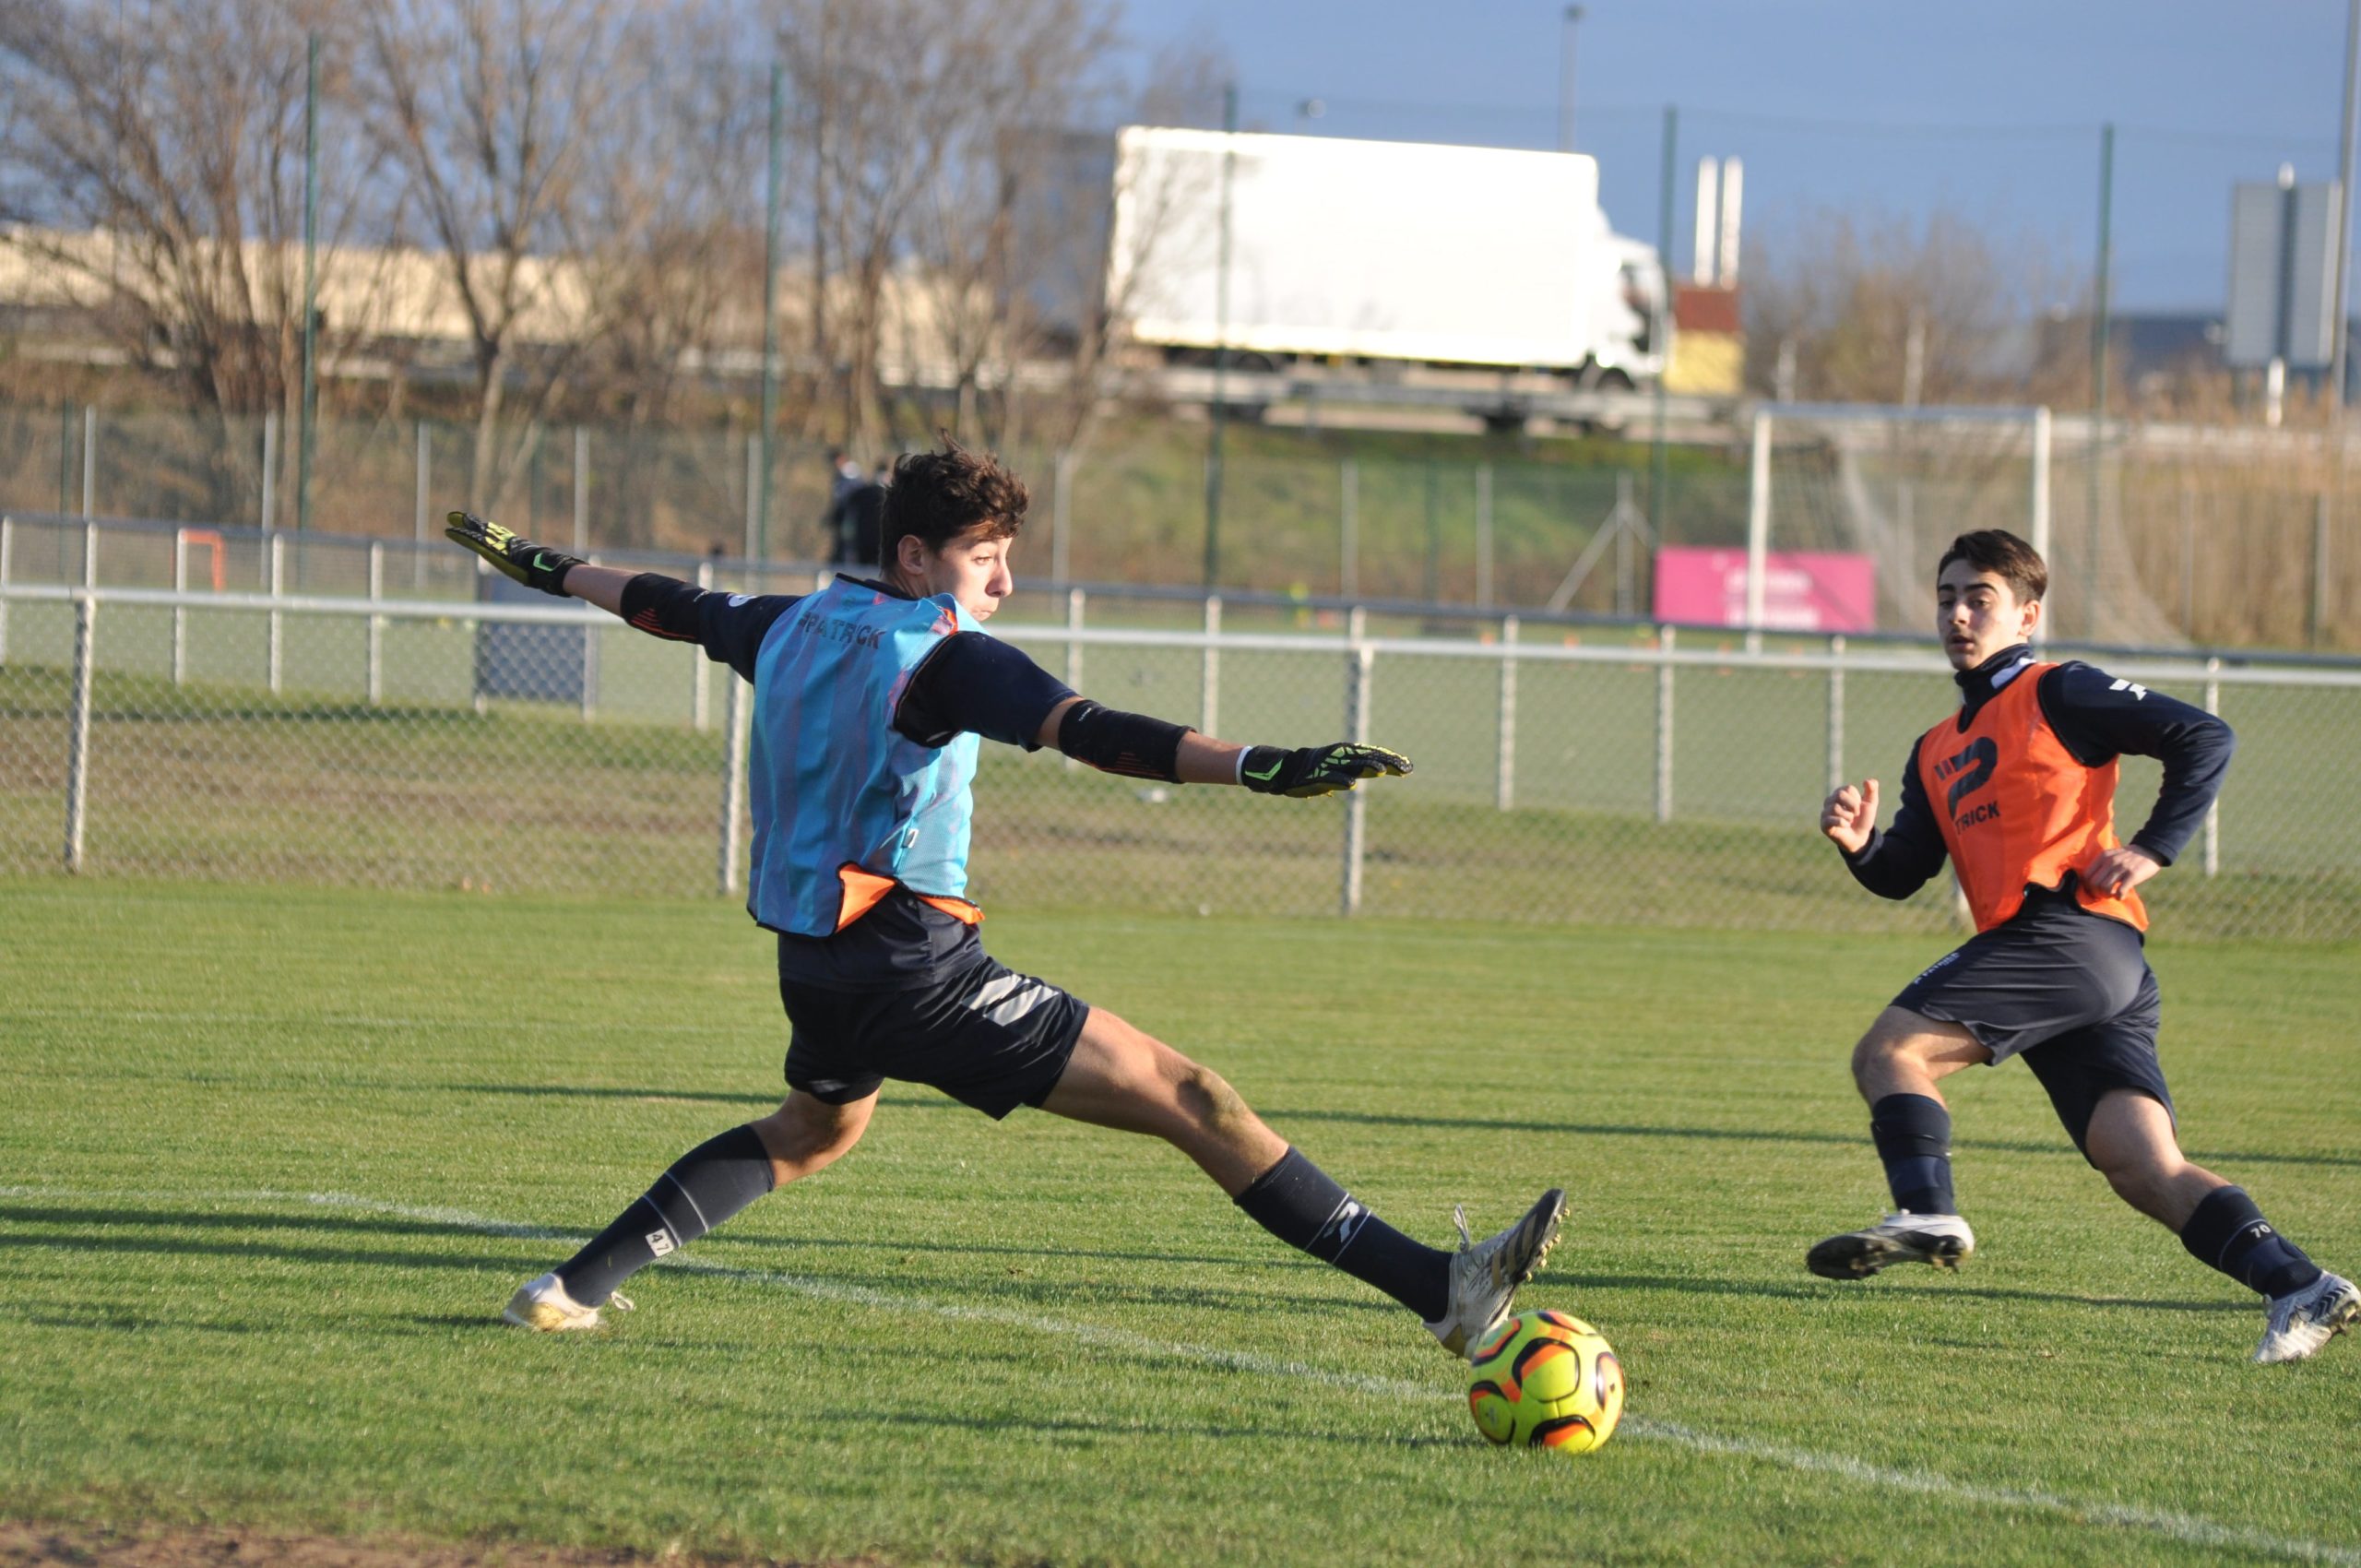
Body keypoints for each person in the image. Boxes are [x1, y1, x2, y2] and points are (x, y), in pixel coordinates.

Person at [443, 437, 1565, 1359]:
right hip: (914, 967)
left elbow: (663, 602)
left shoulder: (787, 621)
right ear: (916, 554)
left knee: (813, 1128)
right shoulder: (944, 658)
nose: (1003, 582)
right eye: (984, 556)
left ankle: (564, 1289)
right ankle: (1442, 1291)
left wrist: (548, 566)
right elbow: (1099, 734)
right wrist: (1260, 764)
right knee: (1193, 1096)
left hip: (814, 961)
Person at [1811, 528, 2355, 1364]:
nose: (1958, 615)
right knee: (2141, 1167)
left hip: (2067, 934)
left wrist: (2151, 848)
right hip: (2082, 965)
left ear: (2026, 616)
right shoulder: (1935, 750)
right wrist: (1860, 845)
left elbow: (2205, 736)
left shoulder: (2058, 689)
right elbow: (1903, 872)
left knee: (1890, 1053)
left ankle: (1927, 1212)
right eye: (1947, 598)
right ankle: (2301, 1284)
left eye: (1980, 598)